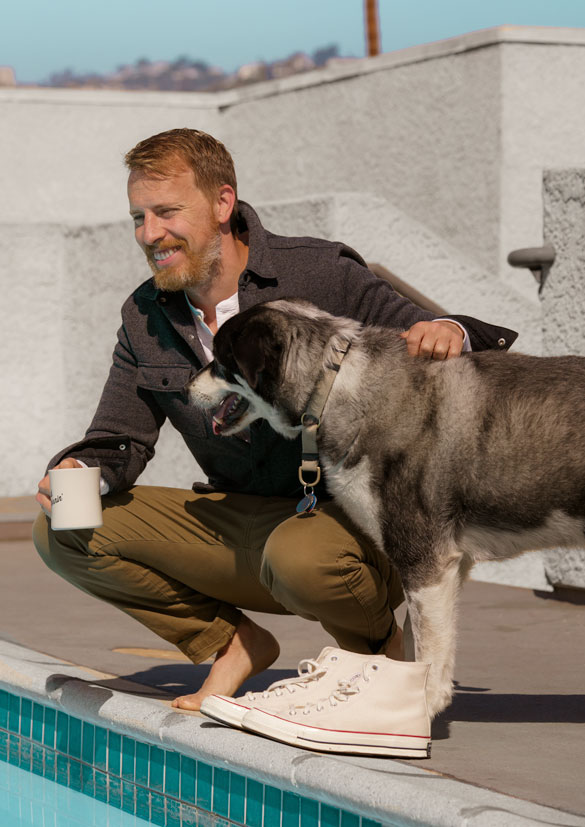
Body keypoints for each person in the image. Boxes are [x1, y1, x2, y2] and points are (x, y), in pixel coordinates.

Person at [33, 128, 517, 711]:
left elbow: (438, 335)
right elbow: (119, 438)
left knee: (302, 556)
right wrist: (81, 468)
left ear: (222, 203)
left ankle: (376, 651)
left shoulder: (318, 272)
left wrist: (451, 330)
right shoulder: (144, 315)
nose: (149, 234)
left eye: (166, 212)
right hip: (238, 519)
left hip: (347, 530)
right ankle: (232, 644)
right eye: (139, 217)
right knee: (63, 527)